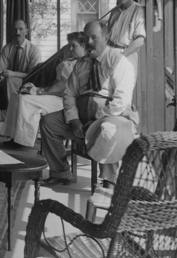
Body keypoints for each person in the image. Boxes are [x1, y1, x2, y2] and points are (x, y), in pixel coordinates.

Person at [38, 20, 139, 188]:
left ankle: (109, 181)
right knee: (48, 123)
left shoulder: (118, 60)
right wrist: (74, 119)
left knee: (108, 129)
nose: (89, 42)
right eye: (86, 38)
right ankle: (61, 172)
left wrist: (98, 118)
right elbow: (69, 93)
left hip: (109, 114)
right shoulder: (80, 63)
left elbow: (121, 101)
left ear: (106, 37)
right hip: (82, 113)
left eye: (94, 37)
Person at [0, 31, 87, 149]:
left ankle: (22, 140)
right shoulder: (69, 61)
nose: (70, 49)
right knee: (16, 94)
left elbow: (68, 90)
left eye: (74, 46)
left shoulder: (83, 65)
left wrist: (44, 93)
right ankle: (13, 134)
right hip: (53, 95)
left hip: (63, 101)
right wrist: (38, 89)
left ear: (83, 46)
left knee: (25, 100)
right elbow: (56, 83)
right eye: (69, 46)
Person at [0, 19, 42, 125]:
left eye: (20, 29)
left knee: (10, 80)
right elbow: (0, 69)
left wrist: (13, 74)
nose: (17, 32)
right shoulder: (7, 48)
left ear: (27, 31)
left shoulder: (34, 50)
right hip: (7, 79)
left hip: (26, 81)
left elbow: (32, 75)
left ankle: (13, 120)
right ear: (11, 31)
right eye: (15, 29)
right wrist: (0, 76)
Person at [106, 0, 146, 75]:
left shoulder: (138, 10)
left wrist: (121, 57)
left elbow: (140, 40)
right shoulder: (114, 11)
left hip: (126, 55)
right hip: (109, 53)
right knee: (107, 88)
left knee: (122, 89)